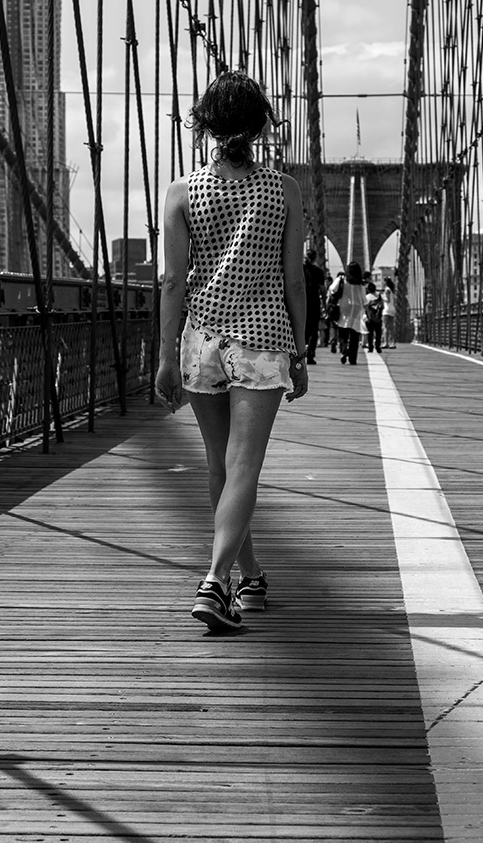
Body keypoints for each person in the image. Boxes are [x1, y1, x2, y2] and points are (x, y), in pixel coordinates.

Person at [155, 71, 308, 632]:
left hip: (202, 340)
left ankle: (253, 577)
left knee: (220, 466)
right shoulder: (284, 189)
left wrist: (168, 358)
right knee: (244, 466)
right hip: (263, 338)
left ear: (204, 126)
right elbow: (294, 280)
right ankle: (217, 581)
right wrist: (301, 351)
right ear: (262, 124)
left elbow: (172, 281)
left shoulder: (180, 192)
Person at [328, 262, 367, 365]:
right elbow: (364, 299)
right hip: (357, 309)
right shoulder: (361, 283)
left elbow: (332, 289)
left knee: (343, 331)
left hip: (344, 307)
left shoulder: (341, 279)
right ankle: (352, 358)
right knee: (355, 334)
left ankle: (344, 349)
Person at [302, 247, 325, 364]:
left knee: (301, 329)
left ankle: (301, 353)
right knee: (313, 330)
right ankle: (311, 354)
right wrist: (324, 305)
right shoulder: (318, 271)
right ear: (315, 258)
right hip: (314, 302)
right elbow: (322, 290)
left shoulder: (300, 269)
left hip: (301, 302)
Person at [363, 281, 383, 353]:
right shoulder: (379, 296)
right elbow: (382, 306)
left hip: (370, 318)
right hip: (378, 318)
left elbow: (364, 307)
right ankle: (378, 347)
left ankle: (370, 347)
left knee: (370, 333)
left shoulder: (367, 297)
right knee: (378, 333)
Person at [382, 276, 397, 348]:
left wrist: (381, 298)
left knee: (385, 327)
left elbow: (387, 300)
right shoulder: (392, 290)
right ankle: (393, 343)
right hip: (392, 309)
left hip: (387, 310)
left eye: (383, 281)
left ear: (385, 282)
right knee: (391, 327)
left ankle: (386, 343)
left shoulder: (387, 290)